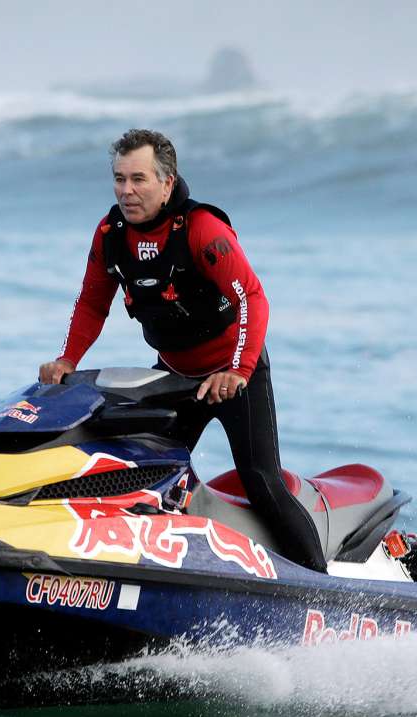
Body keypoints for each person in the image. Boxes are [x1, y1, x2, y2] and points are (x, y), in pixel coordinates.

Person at [38, 128, 327, 572]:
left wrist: (239, 371)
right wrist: (66, 360)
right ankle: (147, 572)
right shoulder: (110, 233)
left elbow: (252, 296)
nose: (126, 190)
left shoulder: (201, 230)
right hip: (174, 376)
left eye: (138, 179)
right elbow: (93, 303)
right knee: (147, 476)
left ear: (167, 182)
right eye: (119, 179)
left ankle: (320, 585)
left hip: (234, 377)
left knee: (261, 481)